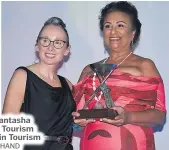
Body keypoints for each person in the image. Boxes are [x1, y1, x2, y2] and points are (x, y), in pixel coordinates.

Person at [72, 1, 166, 150]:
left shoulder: (145, 65)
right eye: (108, 26)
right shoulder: (88, 70)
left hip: (134, 143)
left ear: (133, 32)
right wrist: (77, 122)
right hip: (91, 144)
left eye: (120, 25)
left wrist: (129, 117)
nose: (113, 31)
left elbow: (160, 116)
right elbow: (73, 120)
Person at [2, 17, 76, 150]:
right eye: (45, 41)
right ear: (37, 45)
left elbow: (73, 124)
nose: (51, 47)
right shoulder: (23, 76)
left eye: (58, 42)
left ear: (67, 49)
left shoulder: (68, 85)